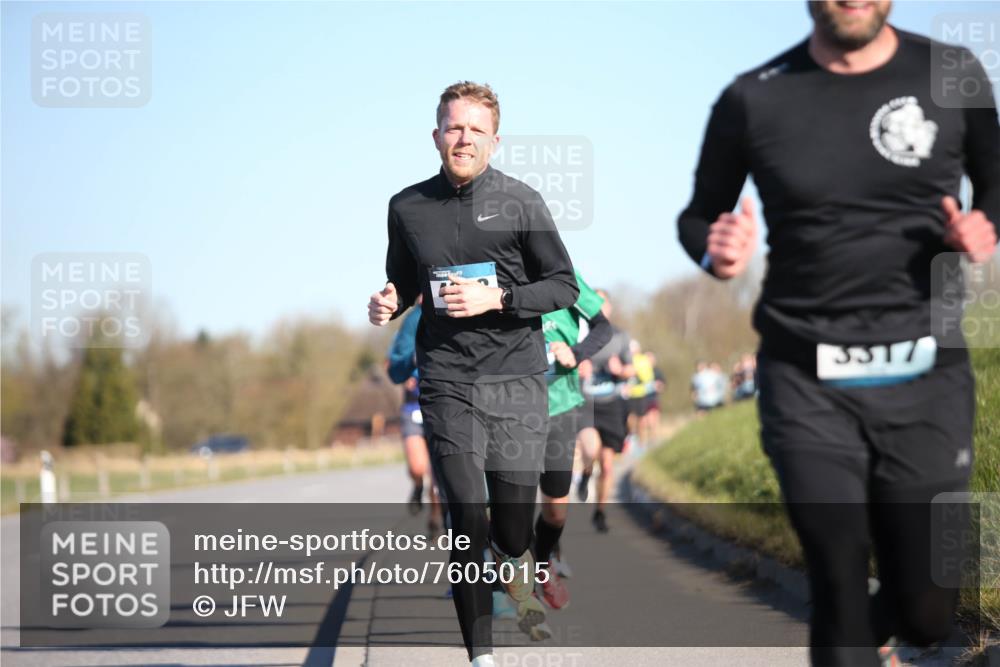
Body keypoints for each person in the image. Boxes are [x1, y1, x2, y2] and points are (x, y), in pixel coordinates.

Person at [677, 2, 998, 665]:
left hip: (927, 373)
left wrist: (985, 222)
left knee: (928, 609)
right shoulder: (751, 98)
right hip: (805, 378)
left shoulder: (951, 72)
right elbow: (698, 214)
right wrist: (715, 249)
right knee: (836, 578)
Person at [368, 81, 578, 666]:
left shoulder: (522, 201)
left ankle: (521, 565)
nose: (463, 138)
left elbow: (561, 285)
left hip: (514, 381)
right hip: (447, 379)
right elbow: (404, 279)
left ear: (495, 140)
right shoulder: (406, 206)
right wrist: (391, 300)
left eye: (475, 129)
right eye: (453, 127)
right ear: (436, 135)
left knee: (511, 531)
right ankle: (480, 658)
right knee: (467, 515)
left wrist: (498, 299)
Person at [534, 270, 612, 609]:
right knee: (509, 510)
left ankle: (541, 562)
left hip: (561, 407)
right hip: (509, 410)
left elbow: (603, 328)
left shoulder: (560, 273)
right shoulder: (494, 276)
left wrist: (576, 353)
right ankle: (500, 588)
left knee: (555, 512)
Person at [577, 289, 634, 533]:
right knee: (591, 449)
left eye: (603, 302)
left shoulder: (619, 336)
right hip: (585, 402)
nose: (598, 307)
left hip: (611, 403)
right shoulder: (578, 333)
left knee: (608, 465)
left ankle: (600, 512)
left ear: (609, 307)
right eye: (594, 302)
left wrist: (620, 370)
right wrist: (577, 366)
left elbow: (632, 371)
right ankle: (587, 472)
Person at [386, 295, 442, 536]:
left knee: (439, 476)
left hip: (444, 403)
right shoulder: (412, 321)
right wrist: (412, 360)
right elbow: (395, 367)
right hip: (415, 406)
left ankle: (436, 515)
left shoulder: (455, 311)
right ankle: (418, 485)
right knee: (419, 467)